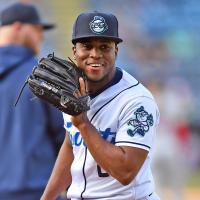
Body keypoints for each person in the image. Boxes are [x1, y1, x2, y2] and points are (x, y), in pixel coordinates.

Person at [41, 11, 160, 200]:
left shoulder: (138, 101)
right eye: (87, 46)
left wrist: (83, 124)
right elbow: (72, 145)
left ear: (116, 51)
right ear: (75, 51)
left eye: (104, 47)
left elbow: (125, 172)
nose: (95, 54)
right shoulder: (71, 88)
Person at [0, 3, 65, 200]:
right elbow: (66, 138)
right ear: (18, 26)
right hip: (39, 191)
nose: (41, 35)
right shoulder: (43, 75)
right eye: (37, 28)